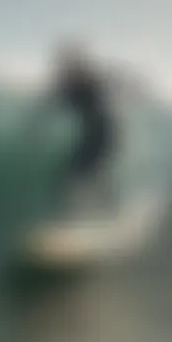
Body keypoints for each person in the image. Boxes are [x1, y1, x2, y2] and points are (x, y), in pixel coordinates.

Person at [30, 39, 138, 217]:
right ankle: (78, 215)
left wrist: (131, 84)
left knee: (86, 173)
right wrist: (36, 126)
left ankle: (113, 213)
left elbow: (115, 80)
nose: (62, 65)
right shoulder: (66, 84)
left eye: (66, 61)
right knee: (72, 177)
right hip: (92, 134)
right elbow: (49, 105)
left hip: (105, 132)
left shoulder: (89, 78)